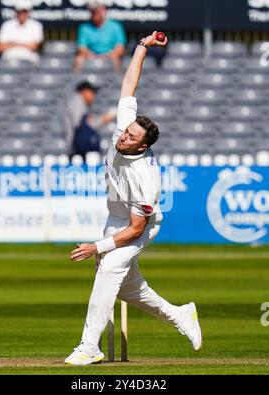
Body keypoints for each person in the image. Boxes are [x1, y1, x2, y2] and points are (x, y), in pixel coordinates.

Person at [65, 32, 202, 366]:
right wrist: (141, 47)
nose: (122, 138)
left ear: (143, 146)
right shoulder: (127, 127)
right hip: (116, 215)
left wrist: (96, 247)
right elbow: (129, 86)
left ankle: (89, 345)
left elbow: (137, 227)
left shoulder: (145, 177)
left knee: (109, 266)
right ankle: (180, 315)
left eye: (130, 138)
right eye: (125, 133)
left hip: (139, 225)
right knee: (127, 288)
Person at [64, 81, 114, 160]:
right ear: (85, 91)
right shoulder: (77, 102)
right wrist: (103, 119)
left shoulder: (80, 103)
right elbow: (79, 125)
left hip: (78, 149)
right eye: (92, 92)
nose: (94, 95)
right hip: (76, 151)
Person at [74, 1, 126, 73]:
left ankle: (118, 82)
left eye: (96, 10)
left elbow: (120, 48)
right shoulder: (84, 27)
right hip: (90, 57)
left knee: (116, 59)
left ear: (103, 9)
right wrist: (91, 55)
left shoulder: (115, 26)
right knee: (79, 59)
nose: (94, 12)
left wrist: (108, 56)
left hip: (110, 57)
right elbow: (81, 48)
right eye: (92, 10)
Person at [0, 0, 44, 66]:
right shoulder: (6, 25)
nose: (22, 14)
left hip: (29, 58)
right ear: (16, 11)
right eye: (20, 11)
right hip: (9, 57)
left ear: (28, 12)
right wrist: (25, 45)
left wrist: (12, 44)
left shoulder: (36, 26)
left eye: (24, 11)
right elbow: (0, 47)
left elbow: (34, 46)